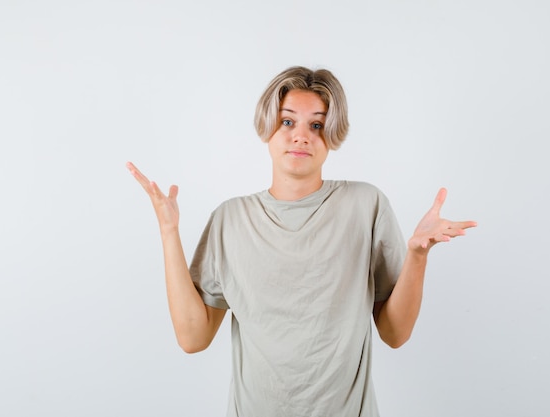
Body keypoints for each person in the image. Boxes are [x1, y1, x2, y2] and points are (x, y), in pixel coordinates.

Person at [126, 66, 477, 417]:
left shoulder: (365, 206)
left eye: (317, 125)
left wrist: (417, 255)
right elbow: (193, 338)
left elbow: (395, 333)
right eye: (288, 122)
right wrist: (169, 232)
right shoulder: (230, 220)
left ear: (332, 135)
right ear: (268, 128)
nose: (301, 136)